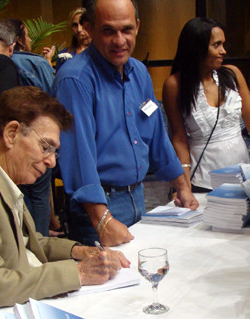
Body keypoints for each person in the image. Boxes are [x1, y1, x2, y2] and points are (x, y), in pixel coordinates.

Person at [0, 86, 130, 312]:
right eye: (46, 147)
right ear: (11, 134)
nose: (52, 162)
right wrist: (79, 272)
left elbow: (28, 243)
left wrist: (82, 251)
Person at [53, 0, 198, 248]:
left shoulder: (139, 72)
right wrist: (102, 220)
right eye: (108, 30)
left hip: (139, 198)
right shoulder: (75, 79)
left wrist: (182, 186)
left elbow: (156, 136)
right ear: (88, 28)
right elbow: (78, 156)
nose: (120, 40)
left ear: (138, 26)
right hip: (98, 209)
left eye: (127, 30)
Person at [163, 17, 250, 192]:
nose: (223, 51)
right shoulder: (175, 84)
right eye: (216, 45)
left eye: (223, 44)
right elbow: (179, 138)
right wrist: (184, 183)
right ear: (197, 48)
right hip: (202, 178)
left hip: (242, 173)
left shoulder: (233, 74)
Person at [9, 18, 57, 236]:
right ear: (19, 39)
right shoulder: (35, 64)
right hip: (39, 142)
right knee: (38, 195)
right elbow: (54, 102)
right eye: (27, 36)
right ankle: (39, 246)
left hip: (8, 150)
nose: (29, 40)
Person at [55, 7, 92, 71]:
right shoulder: (64, 54)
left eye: (82, 24)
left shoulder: (100, 53)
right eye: (75, 25)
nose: (79, 29)